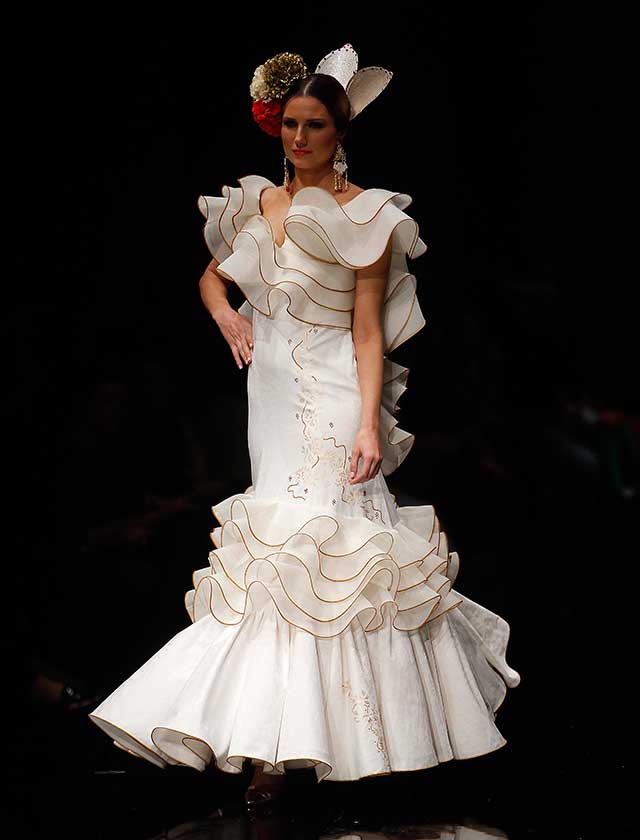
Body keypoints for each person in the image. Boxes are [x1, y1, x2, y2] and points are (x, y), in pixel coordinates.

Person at [88, 43, 521, 814]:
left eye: (315, 124)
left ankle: (342, 744)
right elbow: (211, 277)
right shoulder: (261, 205)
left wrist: (369, 425)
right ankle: (273, 748)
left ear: (339, 130)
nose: (299, 138)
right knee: (277, 562)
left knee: (332, 551)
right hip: (272, 394)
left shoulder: (366, 215)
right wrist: (227, 317)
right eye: (290, 123)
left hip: (333, 392)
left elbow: (368, 331)